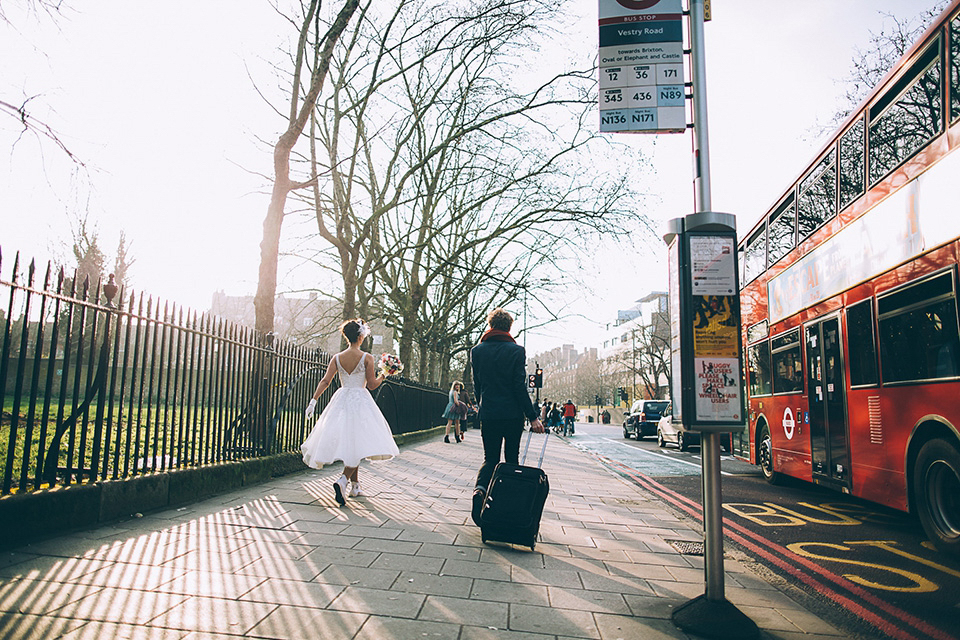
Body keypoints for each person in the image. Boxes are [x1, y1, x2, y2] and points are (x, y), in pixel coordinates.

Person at [301, 319, 400, 506]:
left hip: (342, 399)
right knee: (358, 442)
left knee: (353, 443)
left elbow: (325, 381)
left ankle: (355, 486)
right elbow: (371, 385)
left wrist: (313, 401)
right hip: (361, 401)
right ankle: (343, 480)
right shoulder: (367, 357)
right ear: (361, 336)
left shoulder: (337, 358)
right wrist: (384, 374)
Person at [469, 308, 544, 526]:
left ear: (490, 325)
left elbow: (478, 385)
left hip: (490, 413)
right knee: (511, 459)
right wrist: (532, 417)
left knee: (490, 459)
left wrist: (482, 405)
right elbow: (518, 387)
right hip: (512, 415)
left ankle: (480, 490)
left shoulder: (477, 351)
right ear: (509, 327)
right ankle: (508, 506)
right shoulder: (517, 351)